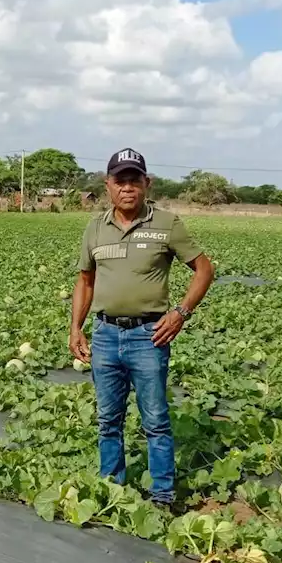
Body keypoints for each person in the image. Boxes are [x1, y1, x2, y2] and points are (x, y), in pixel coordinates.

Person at [68, 147, 215, 509]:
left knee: (156, 421)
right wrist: (75, 327)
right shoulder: (94, 228)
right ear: (108, 185)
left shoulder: (167, 224)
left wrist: (181, 312)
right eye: (121, 180)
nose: (128, 187)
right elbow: (85, 280)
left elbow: (204, 270)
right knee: (107, 420)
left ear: (147, 183)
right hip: (104, 335)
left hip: (148, 336)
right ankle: (111, 488)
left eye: (135, 180)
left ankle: (162, 496)